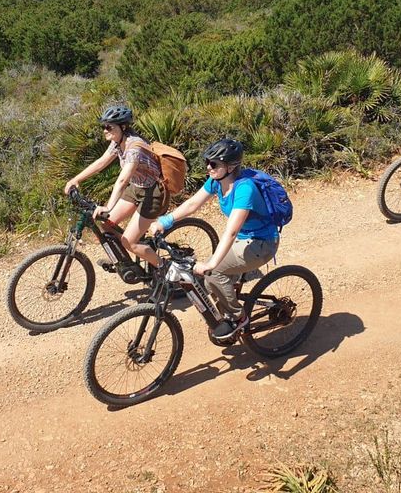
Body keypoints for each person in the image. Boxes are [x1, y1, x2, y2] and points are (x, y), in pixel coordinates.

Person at [147, 138, 278, 342]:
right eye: (207, 162)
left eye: (214, 164)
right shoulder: (216, 181)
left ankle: (239, 317)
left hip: (261, 243)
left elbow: (231, 231)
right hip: (244, 239)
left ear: (231, 166)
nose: (209, 167)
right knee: (210, 284)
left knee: (214, 273)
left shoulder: (245, 189)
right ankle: (228, 313)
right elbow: (192, 204)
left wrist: (212, 264)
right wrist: (165, 221)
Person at [63, 104, 166, 275]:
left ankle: (167, 269)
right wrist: (76, 179)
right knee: (107, 224)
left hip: (153, 192)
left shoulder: (135, 146)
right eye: (104, 126)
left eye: (109, 127)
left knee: (129, 241)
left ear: (123, 127)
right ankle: (127, 263)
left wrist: (108, 207)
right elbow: (101, 162)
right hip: (137, 188)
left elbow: (123, 179)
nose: (104, 130)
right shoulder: (118, 142)